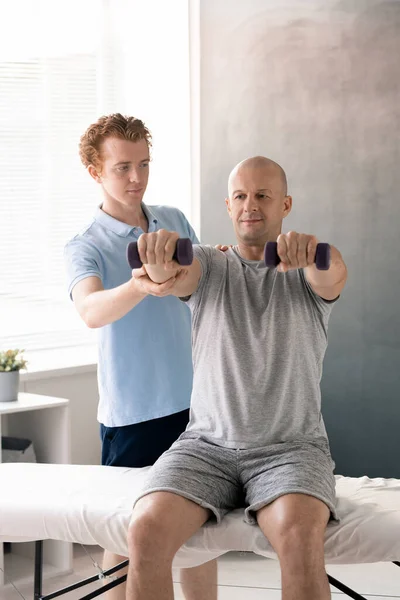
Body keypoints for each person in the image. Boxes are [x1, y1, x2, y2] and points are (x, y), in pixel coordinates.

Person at [125, 156, 348, 600]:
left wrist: (316, 252)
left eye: (263, 195)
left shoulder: (307, 273)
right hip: (205, 447)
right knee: (146, 530)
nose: (251, 205)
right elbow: (175, 274)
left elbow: (334, 272)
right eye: (241, 196)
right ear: (228, 206)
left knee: (299, 539)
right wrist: (159, 260)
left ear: (285, 203)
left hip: (291, 449)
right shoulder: (208, 264)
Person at [64, 113, 218, 600]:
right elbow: (90, 310)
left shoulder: (173, 221)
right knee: (127, 534)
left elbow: (207, 284)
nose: (137, 178)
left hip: (197, 405)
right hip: (133, 413)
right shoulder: (84, 246)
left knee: (203, 532)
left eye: (144, 164)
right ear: (95, 171)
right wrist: (137, 286)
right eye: (122, 167)